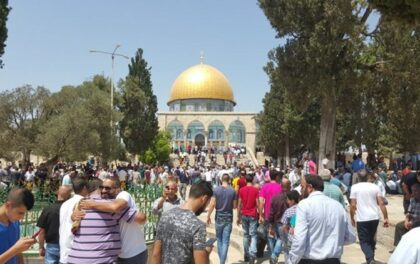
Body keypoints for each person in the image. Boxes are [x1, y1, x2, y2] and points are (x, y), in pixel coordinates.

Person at [67, 178, 146, 264]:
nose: (104, 191)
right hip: (99, 260)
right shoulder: (107, 205)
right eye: (102, 187)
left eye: (107, 188)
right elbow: (142, 218)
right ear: (99, 189)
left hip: (74, 259)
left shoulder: (81, 204)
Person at [288, 175, 356, 264]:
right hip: (333, 260)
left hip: (309, 260)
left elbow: (299, 239)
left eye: (302, 186)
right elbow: (351, 237)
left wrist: (292, 260)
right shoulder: (338, 206)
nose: (301, 190)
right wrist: (333, 242)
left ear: (309, 187)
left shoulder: (304, 205)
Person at [150, 181, 213, 264]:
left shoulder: (165, 216)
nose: (206, 206)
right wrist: (206, 252)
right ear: (204, 198)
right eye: (208, 203)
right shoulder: (198, 226)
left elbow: (155, 254)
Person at [350, 171, 389, 264]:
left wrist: (352, 217)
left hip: (362, 218)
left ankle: (370, 259)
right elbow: (381, 203)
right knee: (371, 239)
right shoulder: (375, 187)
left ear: (358, 178)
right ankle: (371, 258)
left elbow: (352, 205)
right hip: (374, 217)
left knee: (363, 241)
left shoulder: (355, 187)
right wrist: (386, 217)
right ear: (368, 177)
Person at [206, 174, 237, 264]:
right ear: (229, 180)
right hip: (228, 216)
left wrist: (208, 215)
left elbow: (212, 204)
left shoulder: (216, 190)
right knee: (225, 241)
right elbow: (235, 206)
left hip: (219, 216)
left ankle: (222, 261)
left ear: (220, 179)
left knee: (219, 239)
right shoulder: (232, 191)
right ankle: (222, 262)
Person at [0, 188, 36, 264]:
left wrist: (19, 248)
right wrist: (15, 249)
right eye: (20, 213)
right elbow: (16, 249)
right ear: (8, 205)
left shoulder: (15, 222)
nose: (22, 217)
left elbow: (18, 252)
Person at [37, 186, 72, 264]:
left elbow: (42, 231)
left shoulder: (48, 209)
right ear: (69, 196)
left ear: (57, 193)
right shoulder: (71, 209)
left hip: (52, 245)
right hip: (67, 245)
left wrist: (41, 247)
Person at [59, 177, 89, 264]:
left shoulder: (65, 204)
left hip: (64, 251)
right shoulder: (84, 203)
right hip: (76, 253)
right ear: (84, 188)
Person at [237, 173, 261, 264]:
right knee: (253, 234)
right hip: (253, 214)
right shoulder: (255, 190)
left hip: (244, 214)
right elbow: (258, 203)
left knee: (246, 235)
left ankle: (246, 254)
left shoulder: (241, 190)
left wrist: (238, 216)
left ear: (245, 181)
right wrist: (261, 215)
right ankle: (252, 254)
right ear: (253, 181)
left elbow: (239, 204)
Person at [259, 170, 283, 257]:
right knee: (279, 236)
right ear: (277, 177)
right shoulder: (280, 187)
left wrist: (261, 214)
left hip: (268, 215)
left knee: (270, 236)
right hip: (279, 215)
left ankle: (271, 255)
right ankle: (274, 254)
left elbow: (261, 201)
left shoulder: (264, 187)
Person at [267, 178, 291, 264]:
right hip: (287, 223)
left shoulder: (275, 197)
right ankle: (275, 255)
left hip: (277, 222)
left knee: (280, 239)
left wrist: (270, 224)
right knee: (282, 239)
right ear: (289, 186)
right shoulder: (292, 197)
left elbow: (271, 212)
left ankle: (274, 255)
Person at [392, 183, 420, 250]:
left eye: (416, 190)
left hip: (418, 221)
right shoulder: (412, 200)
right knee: (399, 226)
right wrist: (406, 221)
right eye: (413, 191)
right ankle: (398, 246)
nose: (414, 192)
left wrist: (413, 223)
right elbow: (409, 213)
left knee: (413, 227)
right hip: (413, 220)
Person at [280, 190, 300, 261]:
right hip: (301, 239)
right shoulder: (303, 208)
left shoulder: (288, 211)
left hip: (292, 238)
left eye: (288, 200)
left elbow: (284, 226)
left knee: (288, 255)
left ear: (293, 201)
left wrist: (288, 233)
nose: (287, 201)